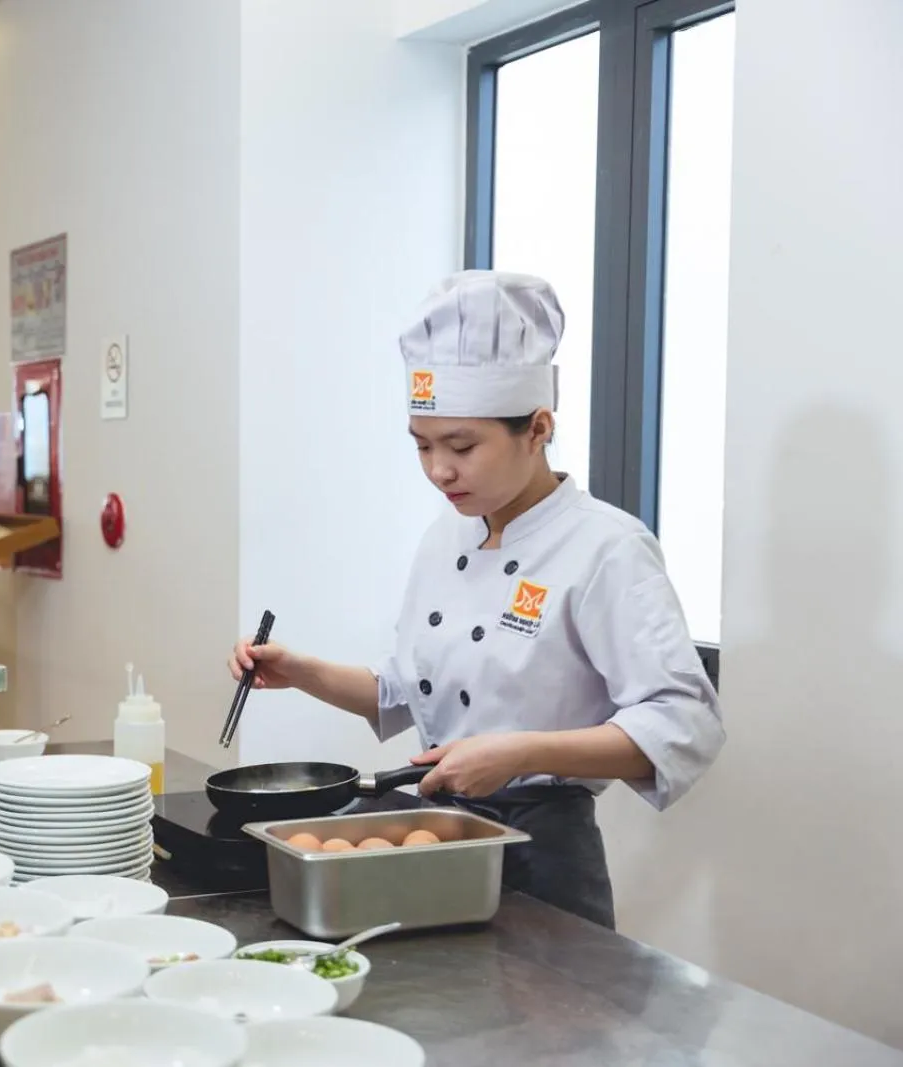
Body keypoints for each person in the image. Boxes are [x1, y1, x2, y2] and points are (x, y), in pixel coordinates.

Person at [228, 270, 724, 929]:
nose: (439, 470)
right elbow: (403, 690)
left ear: (538, 427)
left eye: (461, 445)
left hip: (544, 851)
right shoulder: (446, 536)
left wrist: (521, 752)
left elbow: (683, 720)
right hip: (442, 830)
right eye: (423, 445)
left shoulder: (608, 548)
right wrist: (301, 672)